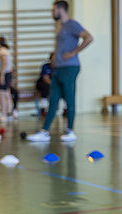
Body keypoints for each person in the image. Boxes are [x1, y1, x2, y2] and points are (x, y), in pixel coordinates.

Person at [28, 0, 93, 142]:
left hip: (69, 68)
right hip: (57, 68)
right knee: (53, 100)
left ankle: (70, 131)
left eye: (53, 10)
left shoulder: (72, 24)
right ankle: (44, 131)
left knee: (69, 99)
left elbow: (89, 38)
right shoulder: (60, 26)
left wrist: (73, 53)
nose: (52, 13)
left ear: (60, 9)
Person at [0, 36, 14, 123]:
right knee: (6, 94)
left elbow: (4, 63)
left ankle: (4, 114)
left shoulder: (2, 51)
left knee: (1, 94)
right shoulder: (5, 51)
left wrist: (2, 76)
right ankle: (9, 114)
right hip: (6, 74)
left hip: (3, 74)